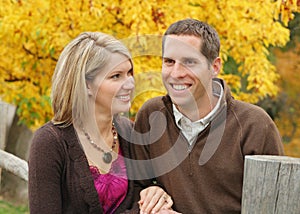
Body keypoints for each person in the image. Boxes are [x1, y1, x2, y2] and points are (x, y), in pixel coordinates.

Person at [131, 18, 284, 213]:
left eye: (189, 62)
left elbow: (275, 208)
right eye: (169, 61)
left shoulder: (255, 126)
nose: (176, 73)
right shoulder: (151, 115)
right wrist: (151, 192)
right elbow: (134, 189)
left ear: (215, 67)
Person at [28, 32, 173, 214]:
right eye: (116, 76)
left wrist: (155, 192)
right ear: (86, 84)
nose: (129, 84)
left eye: (129, 73)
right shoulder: (50, 142)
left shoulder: (127, 132)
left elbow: (140, 194)